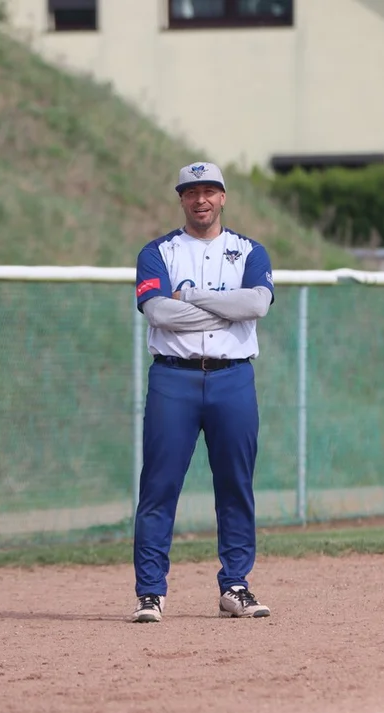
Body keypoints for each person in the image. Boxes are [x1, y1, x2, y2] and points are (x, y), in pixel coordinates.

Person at [130, 162, 275, 623]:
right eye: (192, 192)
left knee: (235, 485)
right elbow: (159, 313)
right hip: (174, 378)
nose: (201, 200)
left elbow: (256, 304)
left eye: (210, 190)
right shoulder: (158, 251)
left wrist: (190, 299)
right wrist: (226, 310)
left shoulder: (249, 250)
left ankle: (235, 585)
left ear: (223, 197)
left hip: (233, 377)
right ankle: (150, 592)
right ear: (181, 199)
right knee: (159, 486)